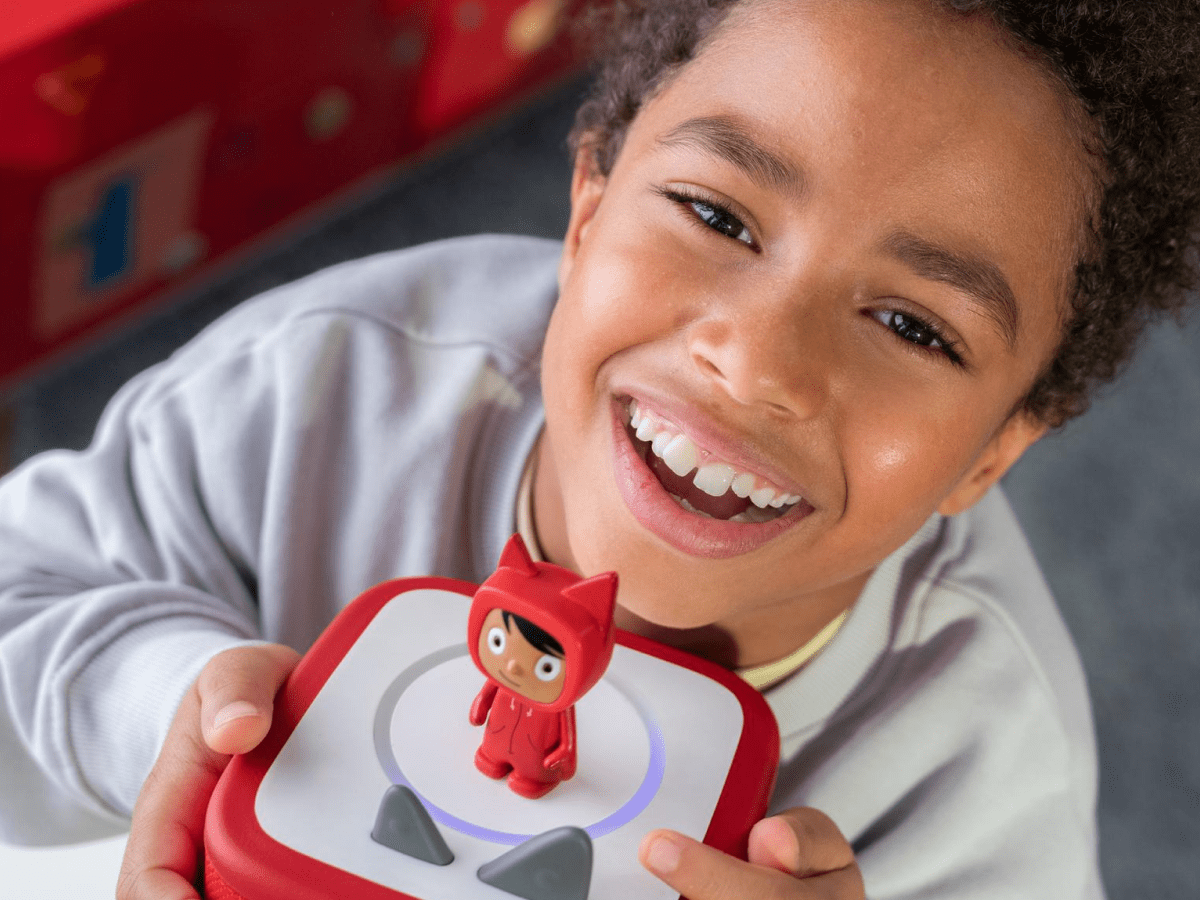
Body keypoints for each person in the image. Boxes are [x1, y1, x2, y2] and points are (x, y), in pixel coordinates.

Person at [1, 1, 1197, 898]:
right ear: (585, 210)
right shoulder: (329, 380)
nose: (759, 364)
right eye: (718, 215)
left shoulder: (980, 752)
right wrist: (164, 709)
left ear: (991, 453)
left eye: (911, 325)